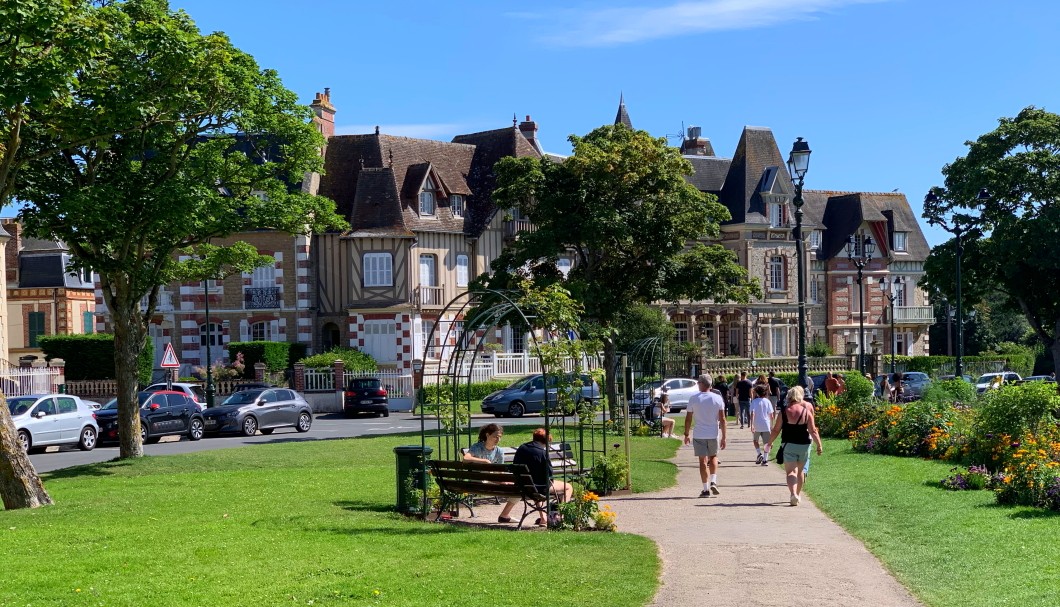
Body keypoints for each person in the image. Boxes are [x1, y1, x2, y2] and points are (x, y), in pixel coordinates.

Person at [767, 386, 823, 506]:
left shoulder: (784, 412)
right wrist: (819, 445)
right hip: (804, 445)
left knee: (791, 472)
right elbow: (813, 431)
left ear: (789, 397)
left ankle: (793, 494)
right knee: (800, 471)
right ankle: (797, 494)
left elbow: (776, 430)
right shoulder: (806, 411)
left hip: (789, 445)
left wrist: (770, 442)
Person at [513, 429, 573, 525]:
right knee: (568, 487)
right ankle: (560, 516)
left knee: (535, 485)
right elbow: (549, 473)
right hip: (539, 487)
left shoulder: (522, 448)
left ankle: (543, 518)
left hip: (522, 485)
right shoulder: (542, 453)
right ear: (547, 441)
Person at [464, 424, 520, 523]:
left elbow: (500, 471)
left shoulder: (499, 451)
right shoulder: (477, 447)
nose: (497, 439)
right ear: (487, 435)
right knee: (515, 487)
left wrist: (501, 480)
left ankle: (505, 515)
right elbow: (466, 458)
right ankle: (504, 515)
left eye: (499, 437)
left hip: (492, 481)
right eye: (495, 436)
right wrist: (484, 461)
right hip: (479, 482)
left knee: (519, 487)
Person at [683, 374, 727, 497]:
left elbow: (688, 419)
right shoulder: (717, 398)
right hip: (713, 433)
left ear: (702, 384)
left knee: (702, 461)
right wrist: (724, 436)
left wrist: (686, 434)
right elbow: (723, 419)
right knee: (713, 457)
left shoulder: (694, 398)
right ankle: (713, 480)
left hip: (699, 433)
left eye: (698, 383)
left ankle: (705, 489)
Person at [749, 383, 775, 466]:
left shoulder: (754, 402)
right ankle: (765, 459)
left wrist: (752, 424)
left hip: (757, 424)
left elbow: (752, 413)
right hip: (766, 424)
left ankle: (759, 453)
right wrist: (772, 424)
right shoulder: (767, 401)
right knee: (767, 443)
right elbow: (771, 415)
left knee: (755, 440)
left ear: (757, 393)